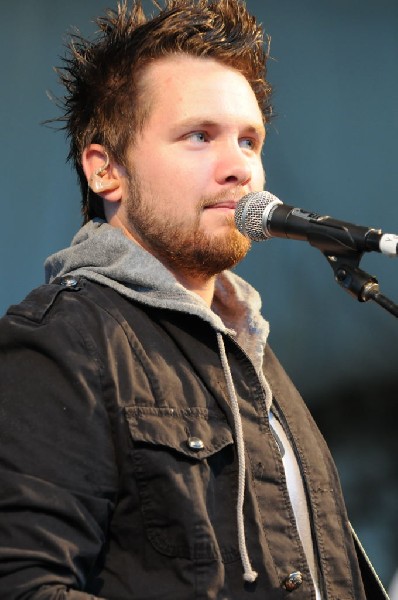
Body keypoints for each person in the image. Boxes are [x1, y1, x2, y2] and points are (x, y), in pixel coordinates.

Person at [0, 1, 389, 598]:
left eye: (250, 141)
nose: (239, 168)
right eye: (199, 136)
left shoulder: (250, 357)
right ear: (106, 170)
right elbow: (26, 584)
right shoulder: (61, 341)